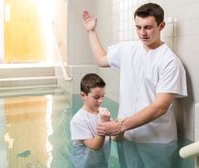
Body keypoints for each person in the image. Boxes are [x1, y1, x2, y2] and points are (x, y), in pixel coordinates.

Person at [82, 2, 187, 168]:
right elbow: (101, 59)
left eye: (148, 27)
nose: (142, 33)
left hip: (157, 142)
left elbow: (160, 107)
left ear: (162, 26)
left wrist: (119, 126)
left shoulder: (170, 62)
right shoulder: (128, 49)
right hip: (127, 137)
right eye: (138, 27)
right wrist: (91, 31)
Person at [70, 73, 111, 168]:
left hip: (101, 162)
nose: (101, 100)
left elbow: (113, 136)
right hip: (83, 165)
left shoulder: (103, 113)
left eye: (102, 96)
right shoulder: (78, 120)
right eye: (96, 97)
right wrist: (104, 123)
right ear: (83, 95)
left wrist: (120, 125)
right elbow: (94, 146)